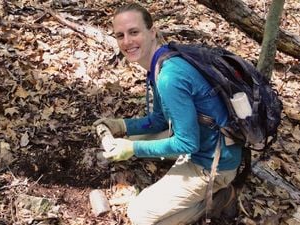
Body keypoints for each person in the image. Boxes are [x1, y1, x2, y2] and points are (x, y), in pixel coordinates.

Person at [93, 3, 242, 225]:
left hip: (213, 162)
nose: (127, 41)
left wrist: (132, 149)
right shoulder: (161, 62)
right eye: (120, 35)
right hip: (204, 141)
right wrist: (121, 126)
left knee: (139, 215)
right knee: (127, 142)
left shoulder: (169, 77)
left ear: (152, 32)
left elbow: (187, 143)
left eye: (134, 32)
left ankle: (220, 198)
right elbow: (160, 120)